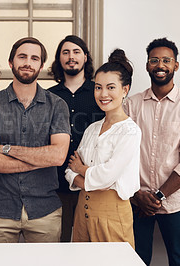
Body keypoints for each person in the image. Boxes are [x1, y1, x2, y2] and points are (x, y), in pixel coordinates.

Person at [0, 37, 71, 243]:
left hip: (44, 210)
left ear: (41, 65)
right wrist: (38, 159)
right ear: (11, 63)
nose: (28, 62)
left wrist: (6, 149)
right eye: (22, 56)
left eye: (34, 58)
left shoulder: (57, 106)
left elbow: (58, 157)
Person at [124, 38, 180, 266]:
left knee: (179, 259)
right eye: (154, 60)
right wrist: (137, 194)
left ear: (175, 66)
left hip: (174, 201)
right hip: (137, 199)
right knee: (136, 259)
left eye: (167, 60)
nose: (161, 65)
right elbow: (122, 155)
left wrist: (158, 196)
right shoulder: (131, 105)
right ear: (148, 65)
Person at [65, 49, 141, 247]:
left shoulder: (130, 131)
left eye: (110, 87)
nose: (103, 94)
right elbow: (69, 169)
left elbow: (107, 176)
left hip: (112, 213)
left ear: (125, 90)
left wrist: (81, 170)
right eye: (98, 87)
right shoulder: (92, 128)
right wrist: (88, 178)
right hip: (83, 211)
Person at [48, 35, 105, 242]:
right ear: (59, 59)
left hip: (91, 184)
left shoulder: (99, 93)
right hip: (55, 186)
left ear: (85, 57)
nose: (71, 57)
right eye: (65, 52)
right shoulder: (48, 96)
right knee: (58, 245)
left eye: (76, 52)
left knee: (90, 247)